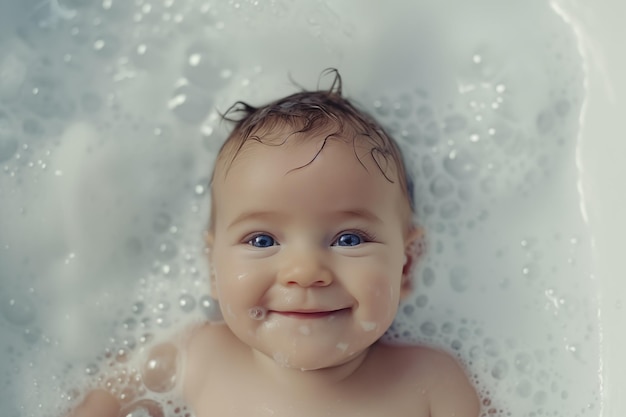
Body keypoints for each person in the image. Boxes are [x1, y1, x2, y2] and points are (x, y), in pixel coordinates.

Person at [70, 69, 480, 417]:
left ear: (406, 265)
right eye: (262, 239)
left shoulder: (432, 383)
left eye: (349, 238)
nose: (304, 272)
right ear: (214, 267)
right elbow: (95, 401)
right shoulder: (196, 357)